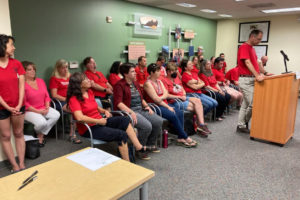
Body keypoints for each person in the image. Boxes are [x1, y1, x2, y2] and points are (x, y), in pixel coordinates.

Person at [67, 72, 151, 161]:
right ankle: (127, 163)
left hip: (100, 121)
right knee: (121, 135)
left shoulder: (89, 92)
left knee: (124, 120)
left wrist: (105, 111)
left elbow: (95, 106)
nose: (89, 80)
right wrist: (99, 121)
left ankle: (138, 147)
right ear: (79, 84)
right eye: (86, 79)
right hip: (89, 128)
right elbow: (79, 118)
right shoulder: (74, 99)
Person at [114, 63, 163, 160]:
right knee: (146, 126)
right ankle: (139, 149)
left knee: (158, 121)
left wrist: (147, 106)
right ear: (125, 74)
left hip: (140, 109)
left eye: (134, 71)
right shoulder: (119, 85)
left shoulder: (135, 83)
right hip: (128, 112)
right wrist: (131, 112)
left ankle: (150, 144)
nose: (135, 73)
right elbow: (119, 103)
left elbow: (141, 98)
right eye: (132, 71)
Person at [144, 63, 197, 148]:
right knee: (173, 115)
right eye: (158, 71)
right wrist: (167, 106)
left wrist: (162, 98)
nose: (160, 73)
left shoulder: (159, 81)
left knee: (179, 113)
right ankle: (185, 136)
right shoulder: (148, 84)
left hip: (164, 104)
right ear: (151, 73)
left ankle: (180, 138)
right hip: (155, 106)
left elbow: (166, 94)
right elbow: (156, 100)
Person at [162, 62, 211, 137]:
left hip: (183, 97)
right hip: (174, 101)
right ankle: (199, 125)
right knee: (196, 107)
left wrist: (184, 94)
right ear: (168, 72)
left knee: (197, 101)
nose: (175, 72)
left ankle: (200, 124)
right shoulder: (164, 80)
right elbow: (166, 95)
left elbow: (182, 88)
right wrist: (180, 97)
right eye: (173, 71)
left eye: (175, 70)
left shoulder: (177, 78)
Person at [0, 34, 26, 173]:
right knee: (5, 136)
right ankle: (14, 165)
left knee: (18, 133)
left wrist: (18, 104)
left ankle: (21, 163)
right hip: (1, 107)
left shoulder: (17, 64)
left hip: (18, 105)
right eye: (11, 45)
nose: (14, 47)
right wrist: (7, 107)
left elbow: (22, 86)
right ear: (2, 46)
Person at [23, 61, 60, 147]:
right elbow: (24, 103)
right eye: (29, 69)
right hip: (29, 110)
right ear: (23, 71)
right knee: (42, 123)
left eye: (34, 69)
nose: (33, 71)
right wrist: (38, 111)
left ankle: (40, 135)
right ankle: (39, 135)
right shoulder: (22, 84)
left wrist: (47, 107)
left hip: (43, 107)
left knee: (56, 115)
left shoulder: (40, 81)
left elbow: (47, 96)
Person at [236, 29, 266, 133]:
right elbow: (248, 63)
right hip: (246, 80)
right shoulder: (244, 47)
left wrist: (265, 73)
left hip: (252, 79)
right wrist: (257, 76)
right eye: (258, 39)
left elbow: (257, 63)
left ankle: (241, 125)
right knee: (254, 104)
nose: (259, 41)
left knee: (245, 105)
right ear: (252, 37)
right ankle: (242, 124)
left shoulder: (252, 48)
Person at [50, 59, 81, 144]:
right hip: (60, 102)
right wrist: (67, 100)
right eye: (63, 68)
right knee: (74, 110)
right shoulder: (54, 79)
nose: (66, 69)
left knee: (81, 107)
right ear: (58, 68)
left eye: (66, 67)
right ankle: (72, 135)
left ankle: (82, 128)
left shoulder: (70, 76)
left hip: (71, 100)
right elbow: (54, 95)